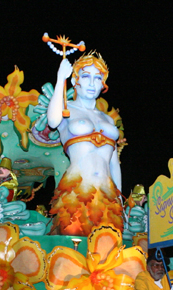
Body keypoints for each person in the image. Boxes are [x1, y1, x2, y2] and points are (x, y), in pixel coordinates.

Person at [47, 52, 124, 236]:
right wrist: (60, 79)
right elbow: (52, 120)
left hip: (107, 196)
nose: (92, 83)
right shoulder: (67, 110)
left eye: (97, 78)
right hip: (77, 192)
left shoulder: (107, 120)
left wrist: (120, 200)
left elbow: (113, 163)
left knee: (106, 250)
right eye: (86, 76)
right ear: (75, 81)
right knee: (74, 248)